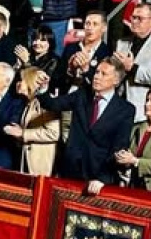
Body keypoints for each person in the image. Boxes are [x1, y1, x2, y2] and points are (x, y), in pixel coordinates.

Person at [38, 57, 136, 194]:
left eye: (104, 74)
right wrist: (43, 89)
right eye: (96, 72)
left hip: (98, 178)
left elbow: (119, 146)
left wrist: (103, 179)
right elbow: (52, 104)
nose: (96, 77)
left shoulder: (125, 109)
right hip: (70, 171)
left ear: (116, 81)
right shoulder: (82, 96)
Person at [5, 66, 60, 175]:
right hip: (27, 160)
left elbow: (54, 133)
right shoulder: (29, 102)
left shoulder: (44, 103)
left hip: (40, 164)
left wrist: (23, 133)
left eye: (22, 80)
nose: (18, 83)